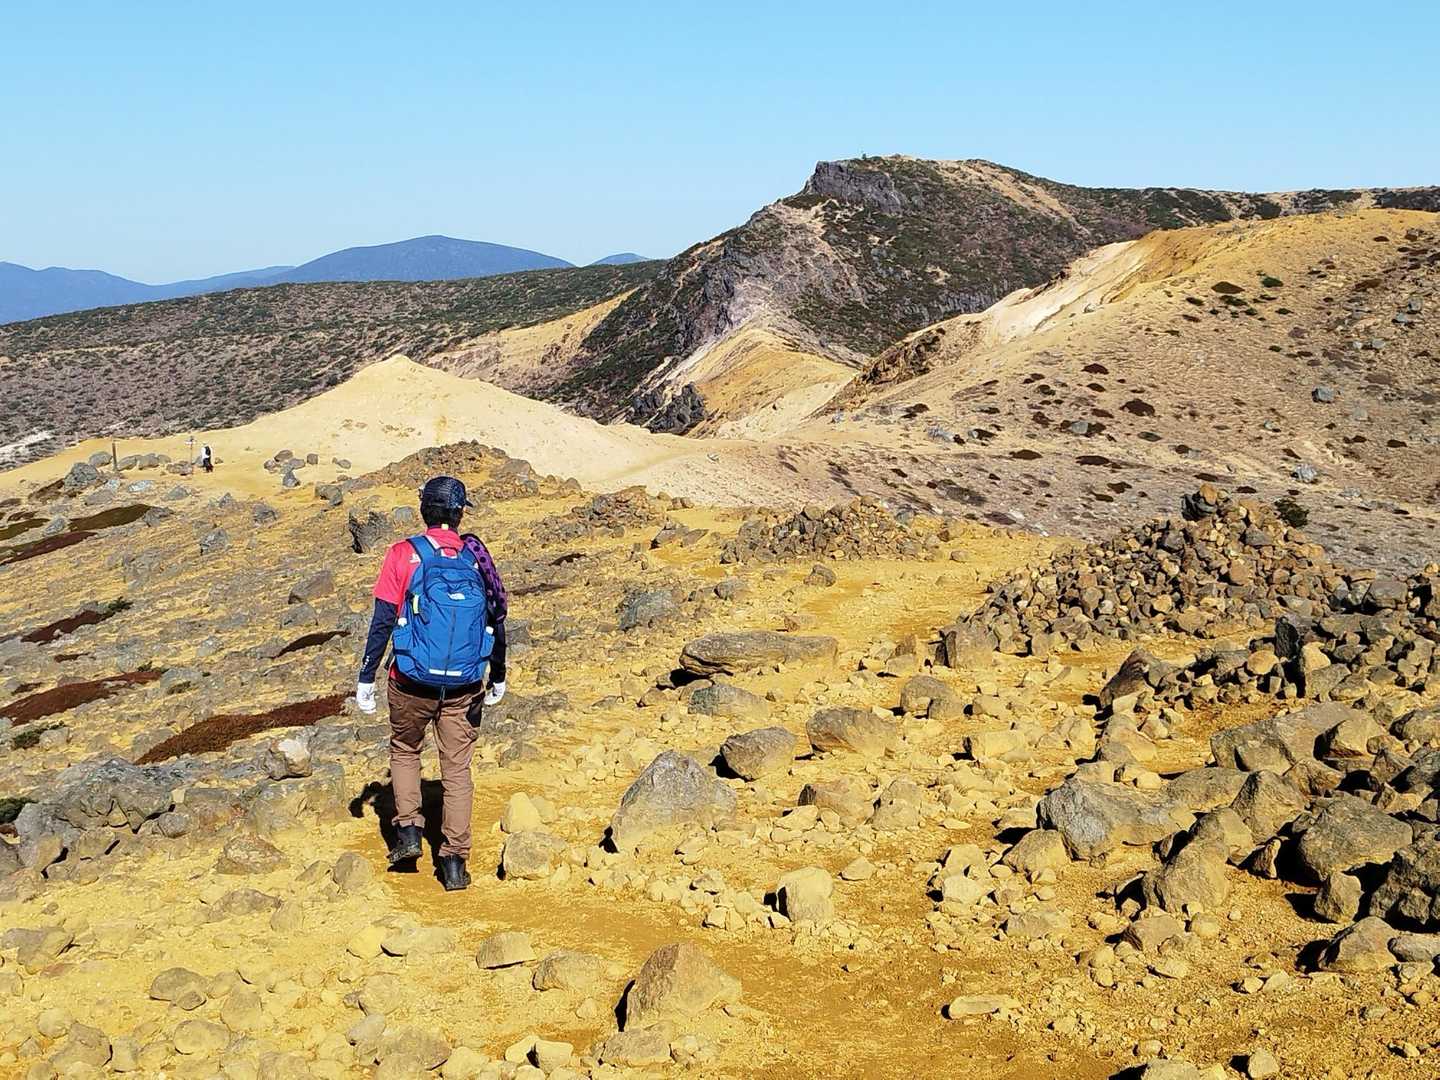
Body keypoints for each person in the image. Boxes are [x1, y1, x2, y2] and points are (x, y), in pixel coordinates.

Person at [355, 475, 508, 891]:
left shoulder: (403, 554)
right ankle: (454, 863)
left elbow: (383, 620)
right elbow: (496, 618)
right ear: (459, 514)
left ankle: (408, 832)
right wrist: (498, 674)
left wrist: (367, 676)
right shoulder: (476, 557)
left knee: (405, 750)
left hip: (409, 680)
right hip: (464, 686)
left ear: (424, 509)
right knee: (457, 770)